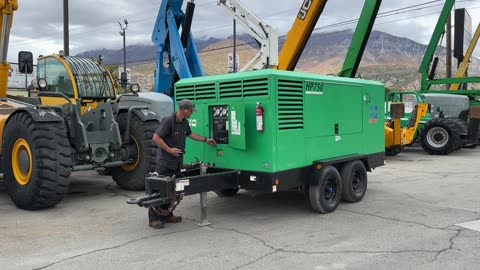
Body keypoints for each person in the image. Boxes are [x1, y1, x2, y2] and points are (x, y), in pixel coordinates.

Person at [149, 99, 217, 229]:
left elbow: (190, 134)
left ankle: (167, 215)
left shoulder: (184, 123)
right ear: (185, 110)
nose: (192, 113)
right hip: (165, 162)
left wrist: (206, 140)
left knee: (172, 189)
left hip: (176, 162)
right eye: (191, 110)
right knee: (159, 190)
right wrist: (169, 149)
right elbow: (156, 137)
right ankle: (154, 218)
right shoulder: (168, 121)